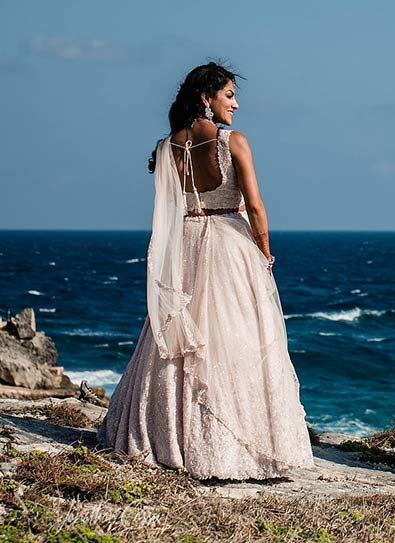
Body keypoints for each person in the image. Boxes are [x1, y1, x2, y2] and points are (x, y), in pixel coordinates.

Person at [98, 62, 314, 479]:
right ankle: (233, 446)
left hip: (185, 247)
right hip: (230, 246)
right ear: (206, 97)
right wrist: (265, 254)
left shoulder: (167, 148)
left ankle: (169, 436)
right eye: (229, 94)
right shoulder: (233, 142)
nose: (236, 103)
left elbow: (167, 212)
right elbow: (255, 208)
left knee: (178, 342)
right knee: (237, 340)